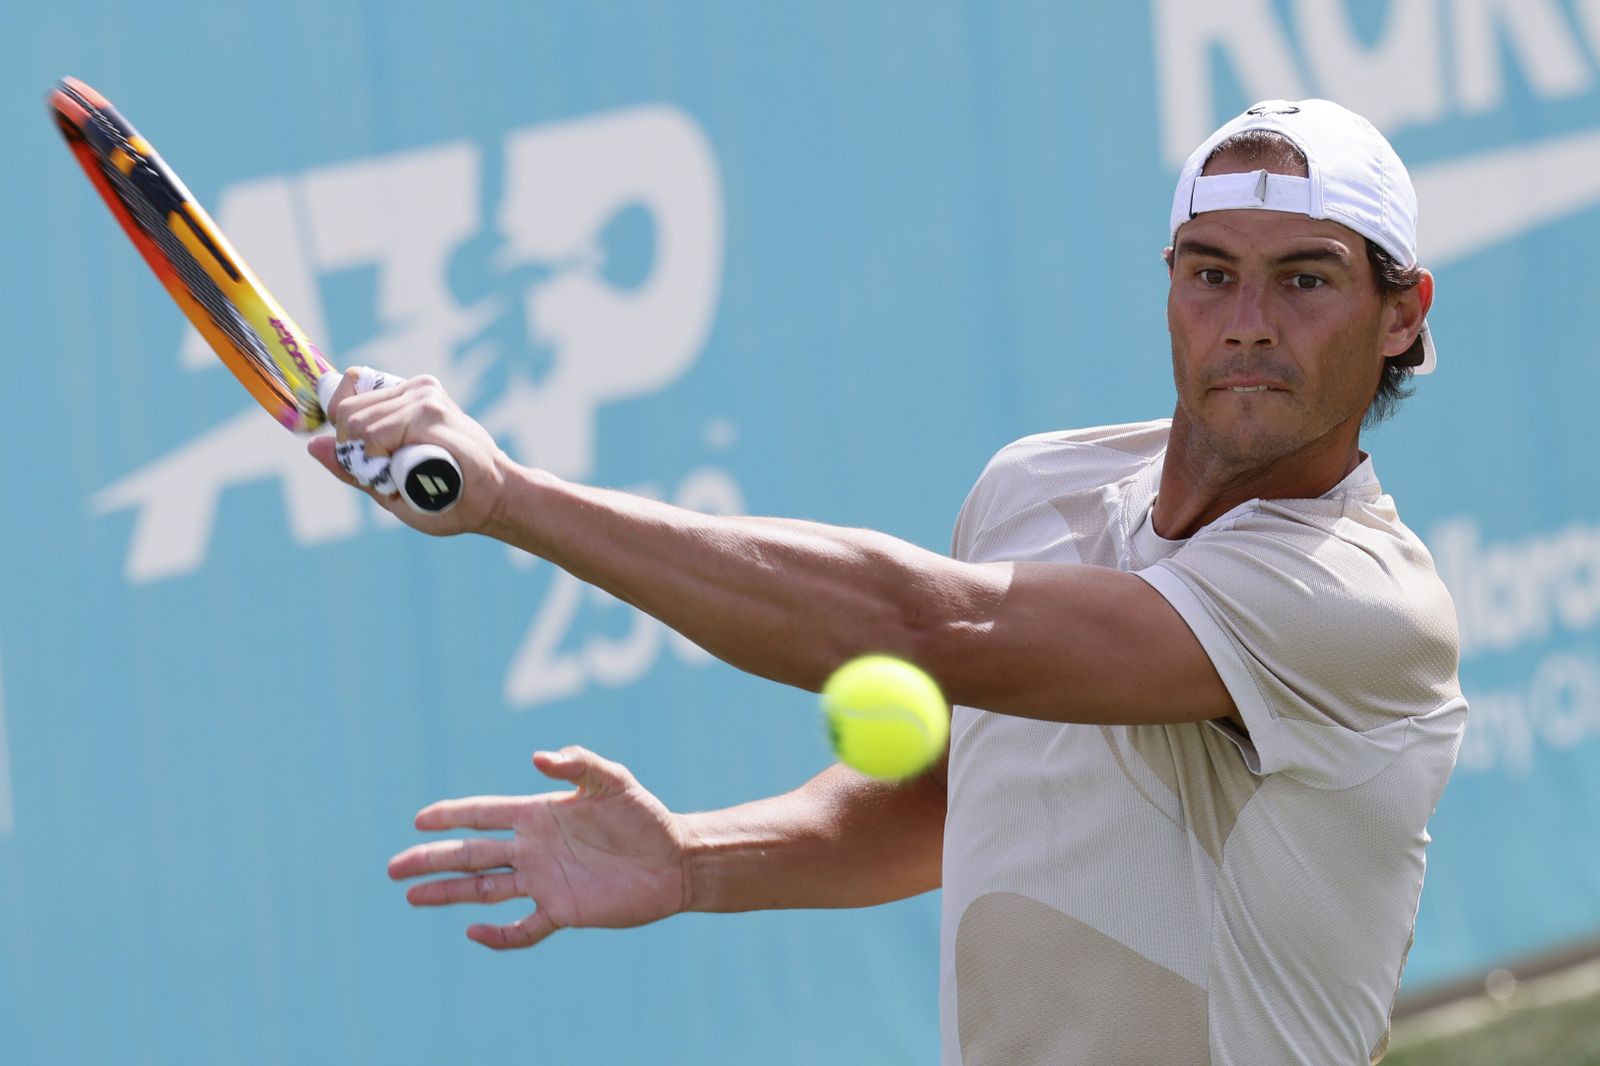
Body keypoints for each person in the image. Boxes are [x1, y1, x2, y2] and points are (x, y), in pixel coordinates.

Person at [312, 99, 1466, 1064]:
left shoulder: (1356, 596)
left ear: (1400, 315)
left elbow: (911, 623)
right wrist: (693, 857)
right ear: (1169, 285)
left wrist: (511, 498)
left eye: (1304, 281)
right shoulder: (1035, 488)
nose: (1248, 322)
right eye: (1211, 274)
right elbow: (957, 799)